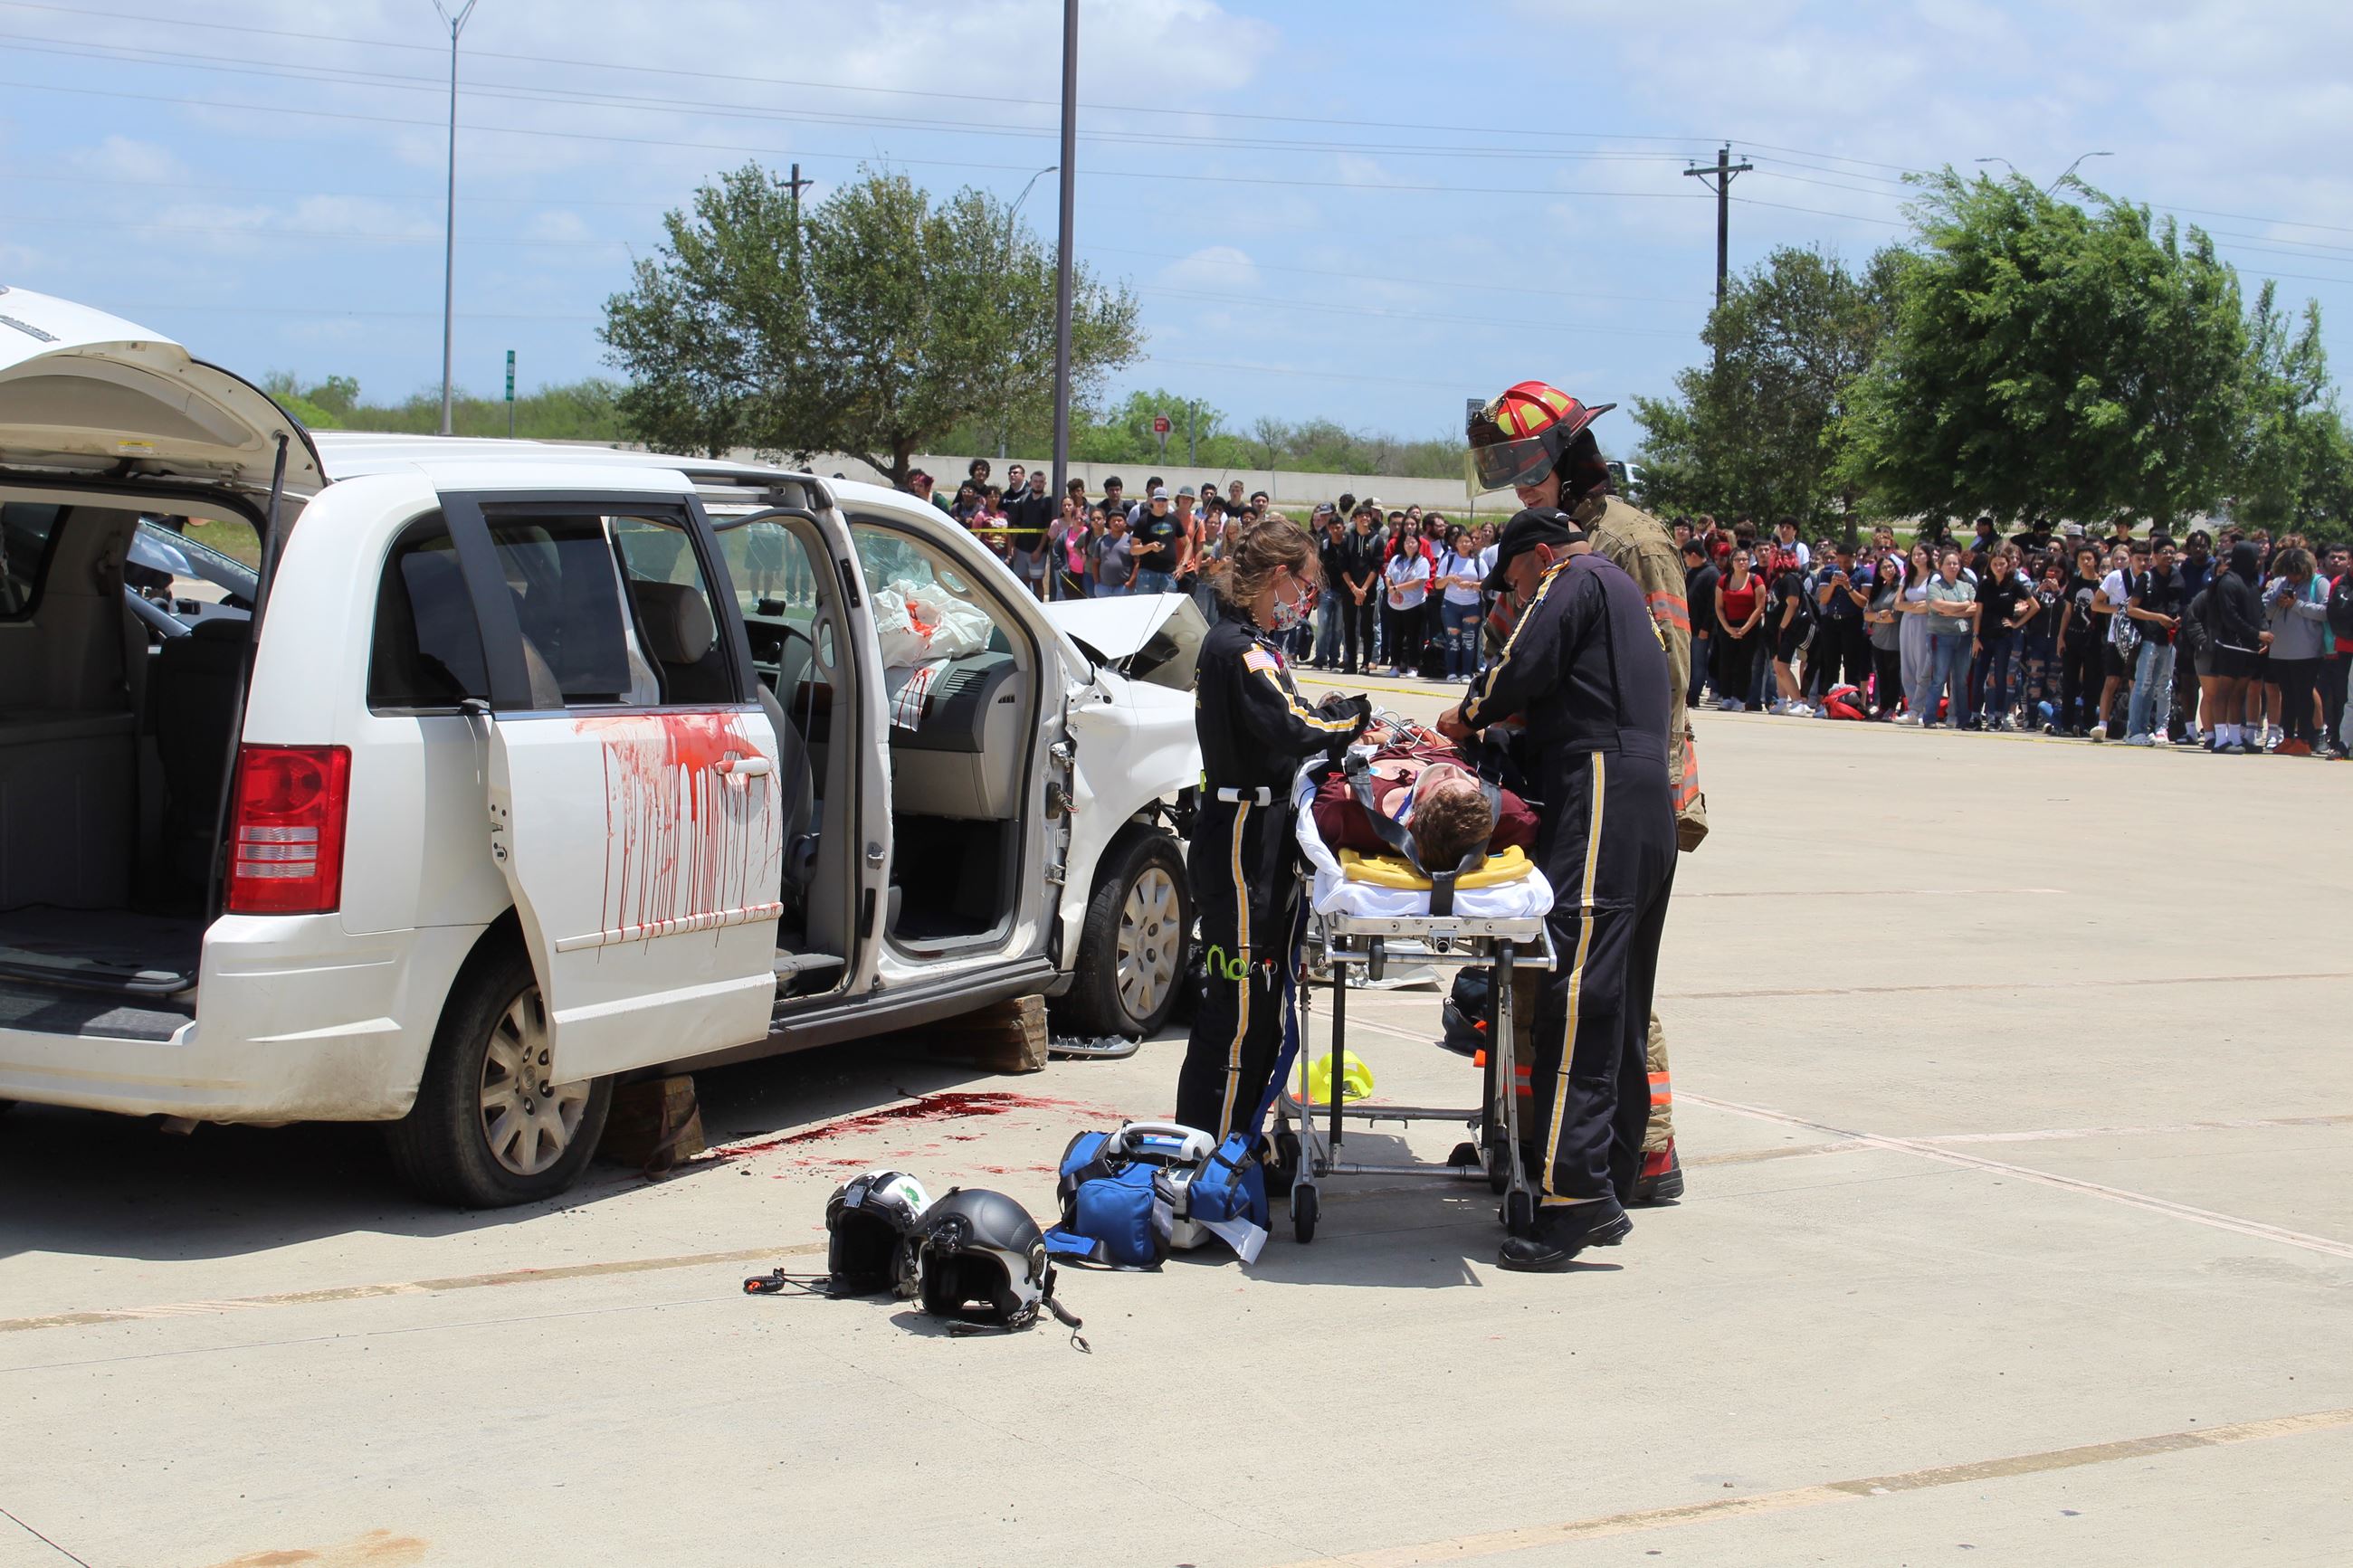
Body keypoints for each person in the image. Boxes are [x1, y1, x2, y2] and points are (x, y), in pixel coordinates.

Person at [1463, 381, 1699, 1205]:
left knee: (1611, 977)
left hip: (1624, 786)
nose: (1523, 487)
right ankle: (1539, 1138)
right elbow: (1507, 652)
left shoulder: (1632, 543)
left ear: (1570, 457)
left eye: (1532, 467)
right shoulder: (1546, 542)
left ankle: (1647, 1153)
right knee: (1547, 966)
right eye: (1512, 472)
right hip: (1558, 782)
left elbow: (1664, 677)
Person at [1436, 507, 1675, 1269]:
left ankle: (1576, 1197)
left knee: (1579, 994)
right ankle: (1610, 1170)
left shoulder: (1575, 578)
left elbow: (1523, 668)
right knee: (1620, 991)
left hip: (1603, 790)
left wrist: (1467, 715)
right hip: (1638, 793)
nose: (1515, 601)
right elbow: (1562, 706)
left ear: (1540, 558)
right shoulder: (1616, 593)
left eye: (1516, 584)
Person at [1173, 519, 1368, 1145]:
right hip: (1240, 841)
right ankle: (1209, 1153)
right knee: (1239, 1007)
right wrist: (1355, 720)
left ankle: (1240, 1140)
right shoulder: (1239, 648)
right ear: (1278, 576)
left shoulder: (1250, 641)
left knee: (1261, 1004)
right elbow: (1294, 725)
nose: (1305, 598)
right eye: (1304, 583)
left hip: (1262, 835)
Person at [2264, 547, 2330, 755]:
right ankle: (2288, 738)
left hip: (2307, 650)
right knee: (2288, 695)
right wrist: (2278, 602)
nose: (2292, 577)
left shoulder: (2319, 583)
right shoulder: (2279, 583)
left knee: (2303, 696)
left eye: (2296, 573)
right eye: (2288, 572)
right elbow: (2264, 609)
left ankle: (2304, 739)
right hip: (2280, 650)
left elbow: (2326, 612)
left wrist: (2296, 605)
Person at [2207, 540, 2268, 753]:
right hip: (2230, 646)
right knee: (2224, 691)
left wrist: (2262, 634)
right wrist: (2256, 633)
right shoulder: (2228, 582)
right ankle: (2220, 740)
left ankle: (2236, 738)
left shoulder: (2251, 582)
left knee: (2239, 693)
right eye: (2255, 557)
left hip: (2250, 647)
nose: (2258, 562)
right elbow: (2230, 616)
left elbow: (2259, 612)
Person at [2122, 540, 2185, 746]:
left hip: (2168, 640)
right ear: (2155, 556)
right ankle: (2134, 730)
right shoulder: (2146, 578)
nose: (2169, 555)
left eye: (2172, 552)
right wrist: (2158, 618)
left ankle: (2156, 729)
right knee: (2142, 684)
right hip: (2148, 638)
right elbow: (2131, 609)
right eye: (2164, 552)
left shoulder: (2177, 578)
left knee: (2162, 685)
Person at [1921, 548, 1978, 728]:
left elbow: (1975, 608)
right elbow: (1938, 606)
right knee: (1938, 678)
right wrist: (1963, 606)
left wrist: (1951, 610)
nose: (1952, 566)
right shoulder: (1935, 587)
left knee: (1961, 680)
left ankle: (1963, 719)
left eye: (1955, 563)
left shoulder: (1967, 586)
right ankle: (1929, 718)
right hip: (1941, 637)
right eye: (1949, 563)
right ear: (1941, 566)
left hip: (1964, 638)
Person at [1713, 546, 1764, 711]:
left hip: (1749, 628)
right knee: (1726, 663)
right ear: (1732, 562)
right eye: (1738, 559)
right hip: (1728, 626)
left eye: (1744, 559)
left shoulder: (1755, 580)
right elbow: (1719, 606)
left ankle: (1741, 698)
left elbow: (1760, 607)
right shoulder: (1724, 580)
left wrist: (1745, 628)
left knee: (1745, 664)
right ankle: (1726, 697)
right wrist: (1727, 628)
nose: (1742, 562)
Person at [1435, 526, 1488, 679]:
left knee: (1469, 640)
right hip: (1451, 605)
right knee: (1453, 640)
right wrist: (1449, 578)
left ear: (1472, 544)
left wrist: (1470, 585)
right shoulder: (1449, 559)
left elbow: (1485, 584)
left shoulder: (1478, 561)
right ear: (1456, 544)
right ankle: (1451, 672)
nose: (1465, 544)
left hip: (1472, 606)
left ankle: (1466, 672)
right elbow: (1437, 584)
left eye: (1468, 541)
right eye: (1461, 541)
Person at [1382, 523, 1434, 678]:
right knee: (1395, 637)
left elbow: (1419, 581)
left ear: (1418, 544)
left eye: (1413, 542)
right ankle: (1395, 665)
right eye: (1406, 542)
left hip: (1414, 604)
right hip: (1395, 604)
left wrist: (1397, 588)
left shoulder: (1422, 561)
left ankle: (1413, 666)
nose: (1409, 545)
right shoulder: (1397, 559)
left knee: (1414, 637)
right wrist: (1391, 589)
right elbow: (1388, 576)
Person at [1767, 549, 1813, 716]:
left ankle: (1797, 701)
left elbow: (1792, 604)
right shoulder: (1777, 580)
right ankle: (1782, 700)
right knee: (1777, 667)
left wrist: (1782, 627)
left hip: (1788, 629)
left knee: (1782, 666)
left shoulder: (1790, 579)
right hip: (1776, 629)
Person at [1864, 543, 1906, 718]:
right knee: (1881, 674)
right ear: (1879, 572)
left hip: (1894, 639)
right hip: (1878, 639)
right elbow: (1867, 615)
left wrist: (1878, 616)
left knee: (1894, 674)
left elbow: (1894, 616)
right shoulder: (1878, 590)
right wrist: (1879, 616)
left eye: (1890, 567)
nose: (1888, 570)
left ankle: (1892, 708)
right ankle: (1883, 706)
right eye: (1884, 568)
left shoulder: (1899, 589)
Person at [1339, 506, 1381, 675]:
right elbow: (1343, 567)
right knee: (1349, 626)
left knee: (1367, 627)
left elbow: (1376, 567)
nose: (1364, 519)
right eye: (1361, 516)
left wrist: (1363, 590)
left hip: (1368, 590)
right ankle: (1351, 663)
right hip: (1350, 589)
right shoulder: (1347, 539)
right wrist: (1354, 589)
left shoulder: (1376, 540)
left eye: (1367, 516)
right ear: (1355, 519)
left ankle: (1366, 663)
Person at [1897, 541, 1935, 721]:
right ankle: (1912, 707)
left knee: (1922, 666)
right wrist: (1915, 606)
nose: (1917, 558)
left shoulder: (1934, 577)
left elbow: (1930, 605)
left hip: (1925, 624)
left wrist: (1910, 606)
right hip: (1907, 623)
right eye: (1914, 555)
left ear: (1928, 556)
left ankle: (1922, 708)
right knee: (1907, 667)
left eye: (1921, 554)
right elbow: (1897, 604)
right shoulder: (1907, 578)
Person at [1129, 487, 1186, 594]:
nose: (1161, 503)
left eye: (1164, 500)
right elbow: (1133, 550)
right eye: (1158, 499)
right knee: (1146, 607)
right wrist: (1149, 547)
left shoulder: (1174, 520)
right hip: (1147, 573)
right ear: (1152, 500)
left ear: (1168, 501)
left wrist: (1183, 565)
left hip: (1169, 574)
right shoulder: (1142, 521)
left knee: (1167, 609)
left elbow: (1188, 544)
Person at [1683, 537, 1720, 708]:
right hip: (1687, 626)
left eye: (1686, 557)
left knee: (1698, 664)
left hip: (1701, 629)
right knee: (1688, 663)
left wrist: (1706, 627)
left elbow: (1713, 605)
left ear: (1694, 555)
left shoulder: (1712, 574)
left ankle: (1694, 696)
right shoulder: (1691, 572)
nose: (1685, 560)